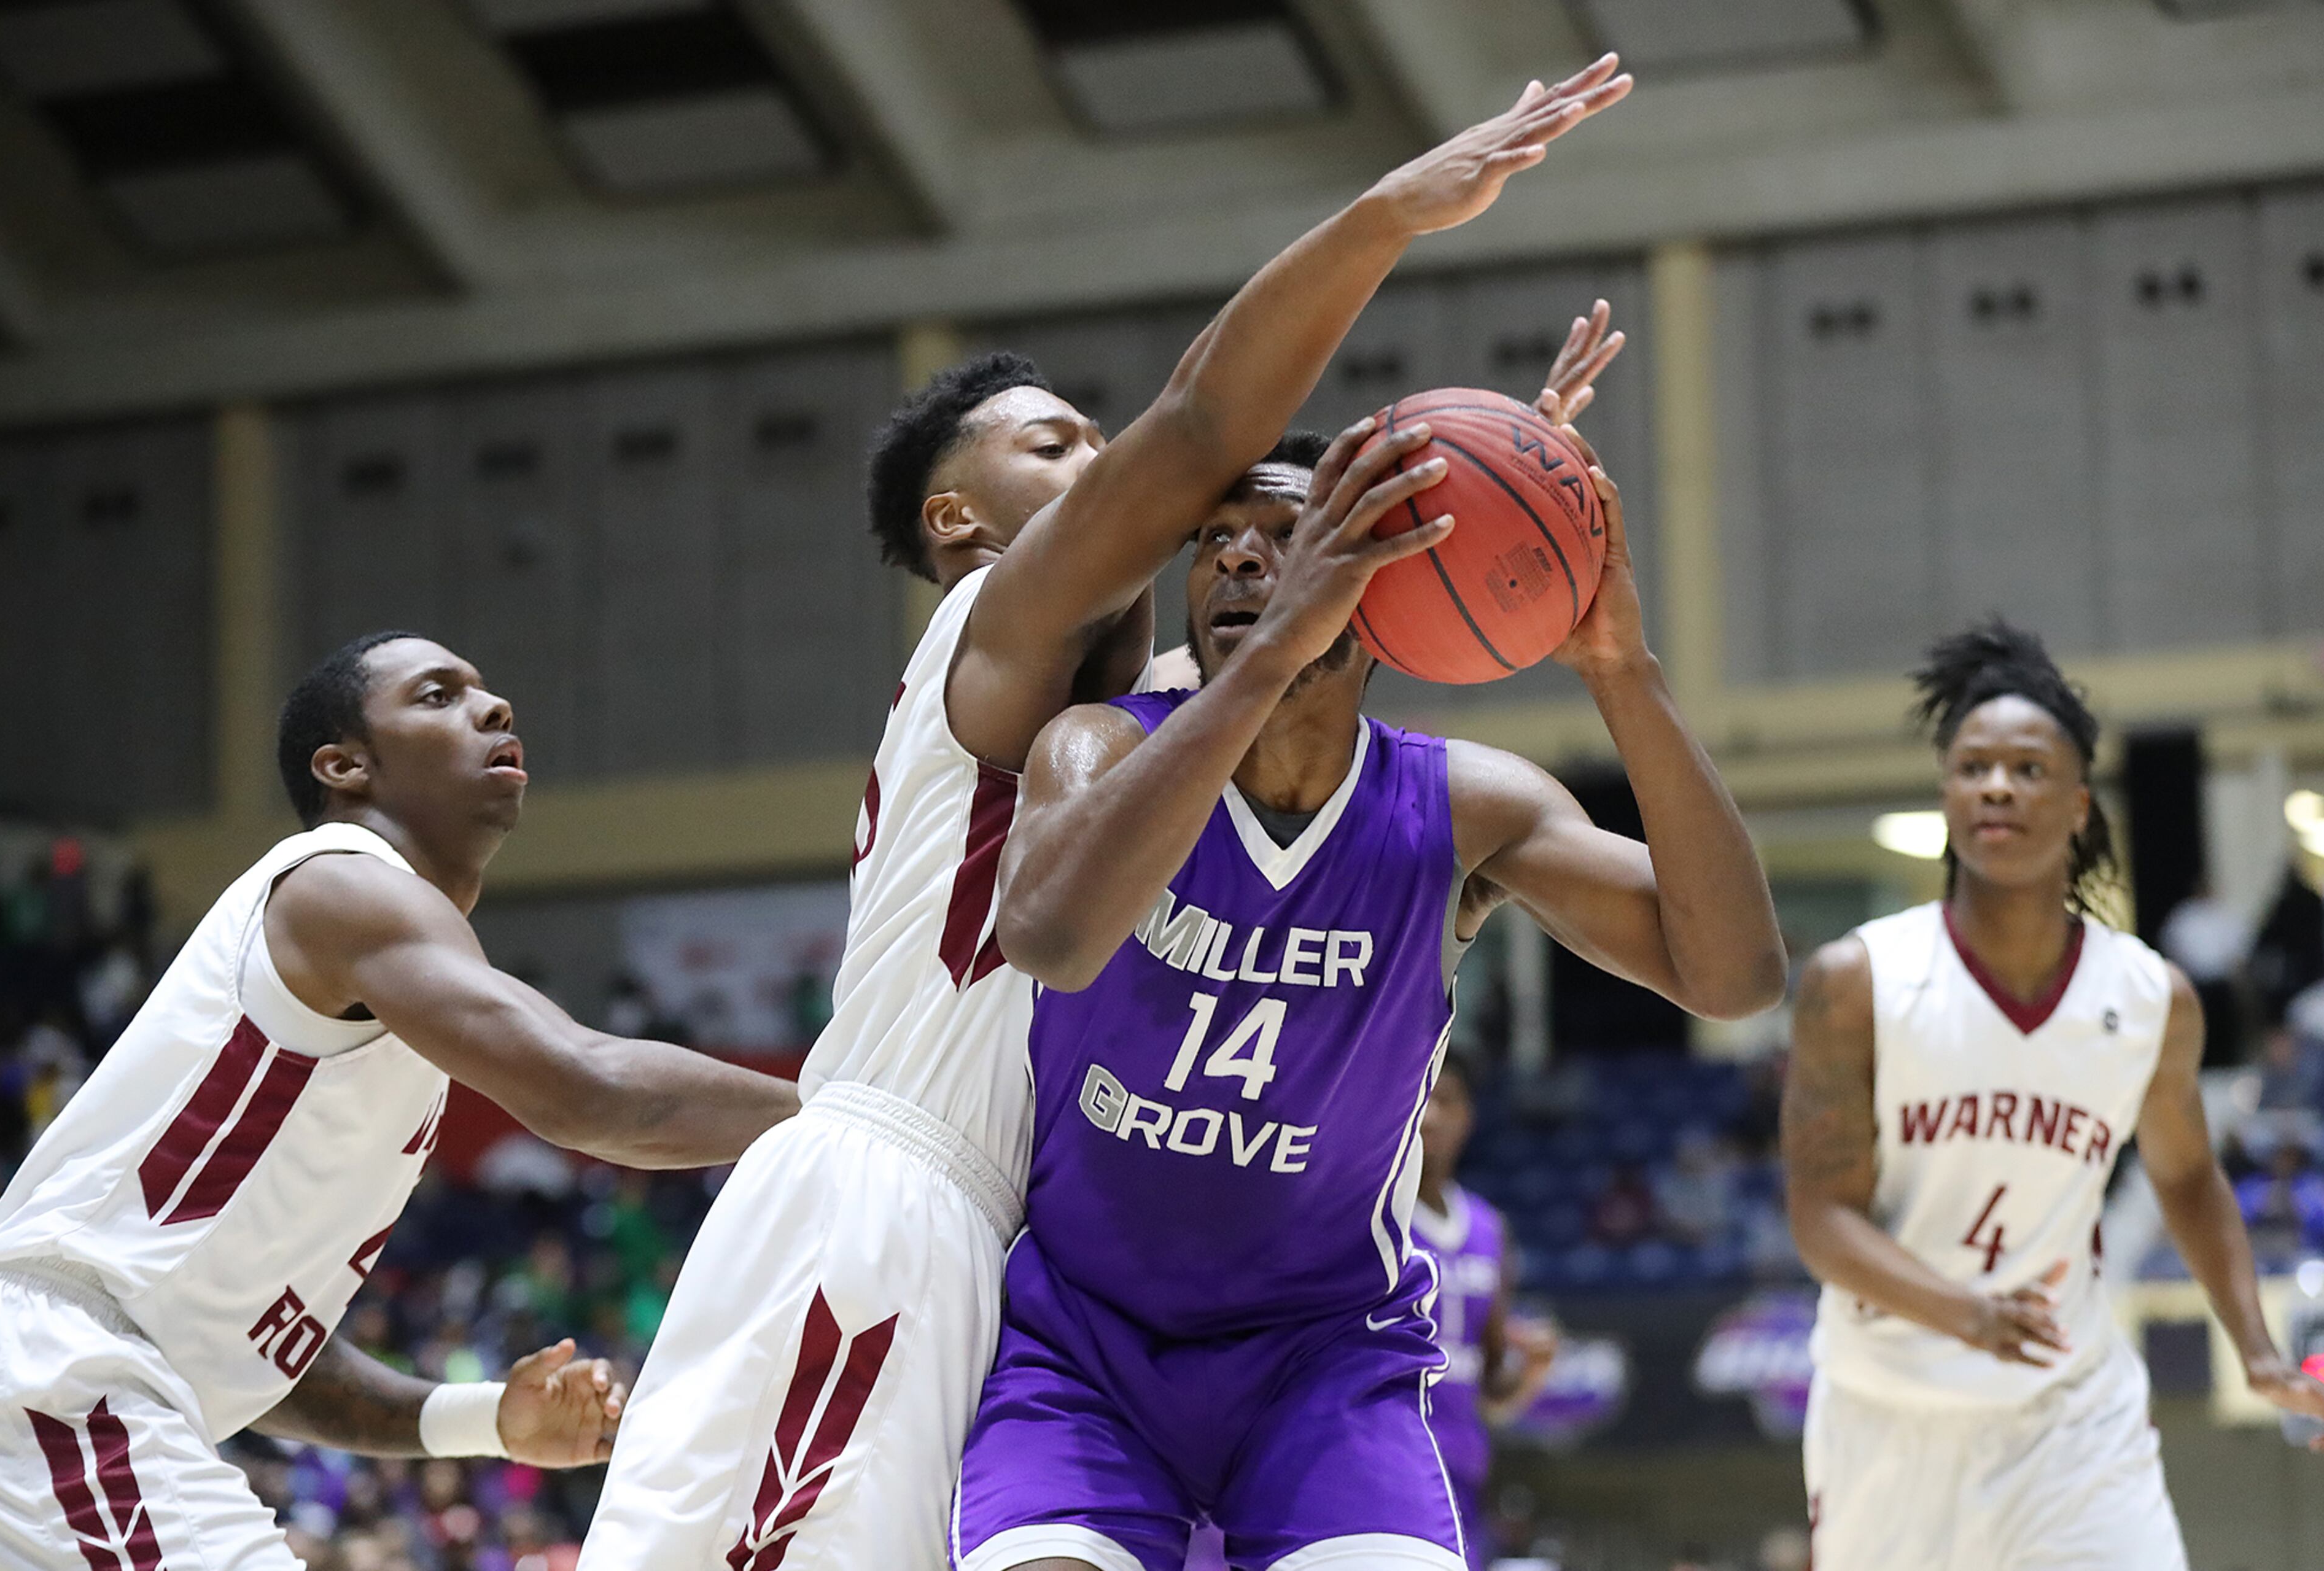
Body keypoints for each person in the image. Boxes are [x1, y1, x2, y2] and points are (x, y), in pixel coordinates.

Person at [576, 61, 1636, 1571]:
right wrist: (1394, 210)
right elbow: (1212, 425)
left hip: (1006, 1251)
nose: (1117, 469)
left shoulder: (1137, 746)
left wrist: (1464, 513)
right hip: (884, 1197)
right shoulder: (988, 633)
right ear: (961, 522)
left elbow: (1290, 612)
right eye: (1059, 446)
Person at [950, 417, 1784, 1571]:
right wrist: (1267, 661)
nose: (1239, 557)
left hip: (1324, 1357)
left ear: (1388, 593)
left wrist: (1620, 672)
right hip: (1086, 1345)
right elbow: (1049, 937)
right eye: (1217, 538)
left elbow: (1734, 973)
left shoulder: (1465, 808)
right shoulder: (1098, 747)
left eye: (1287, 534)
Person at [0, 632, 802, 1570]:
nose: (494, 706)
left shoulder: (383, 996)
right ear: (345, 766)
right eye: (438, 694)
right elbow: (591, 1087)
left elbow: (258, 1351)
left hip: (91, 1381)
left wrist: (486, 1416)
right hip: (59, 1369)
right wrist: (847, 1114)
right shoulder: (340, 883)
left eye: (488, 690)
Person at [1781, 618, 2324, 1571]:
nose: (1997, 784)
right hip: (1892, 1412)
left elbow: (2189, 1177)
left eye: (2027, 768)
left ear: (2082, 807)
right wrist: (1967, 1312)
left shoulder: (2147, 996)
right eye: (1973, 767)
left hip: (2071, 1414)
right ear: (1946, 795)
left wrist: (2255, 1347)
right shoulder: (1860, 980)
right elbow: (1819, 1220)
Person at [1415, 1057, 1557, 1570]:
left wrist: (1534, 1372)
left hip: (1464, 1473)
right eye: (1419, 1094)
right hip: (1387, 1459)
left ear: (1468, 1116)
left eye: (1446, 1099)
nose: (1429, 1115)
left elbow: (1491, 1389)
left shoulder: (1488, 1228)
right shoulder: (1368, 1213)